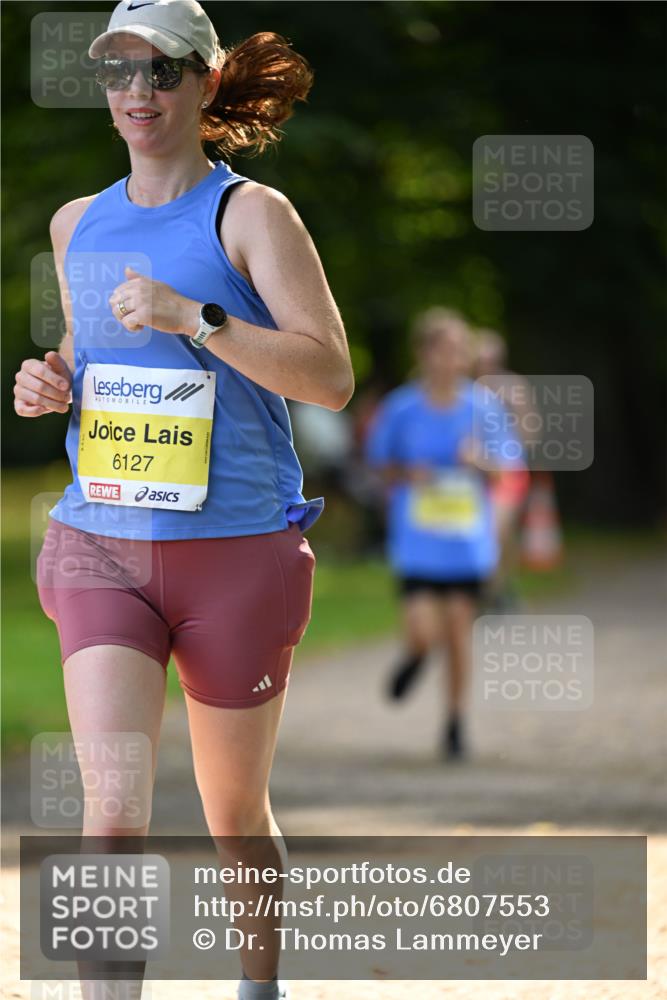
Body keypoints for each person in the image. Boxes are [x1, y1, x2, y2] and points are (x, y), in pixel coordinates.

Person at [14, 2, 354, 998]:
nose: (137, 93)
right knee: (112, 810)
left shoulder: (252, 214)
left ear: (205, 83)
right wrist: (52, 383)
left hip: (237, 552)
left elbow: (329, 376)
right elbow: (93, 359)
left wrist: (196, 318)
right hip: (101, 546)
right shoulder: (77, 221)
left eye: (160, 72)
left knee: (230, 813)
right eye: (118, 71)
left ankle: (259, 985)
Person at [365, 308, 521, 761]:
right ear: (424, 353)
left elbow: (506, 468)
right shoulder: (401, 407)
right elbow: (378, 464)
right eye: (443, 347)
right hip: (417, 540)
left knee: (457, 633)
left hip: (466, 542)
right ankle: (413, 657)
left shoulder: (483, 408)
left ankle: (454, 723)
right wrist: (405, 473)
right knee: (422, 630)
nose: (453, 357)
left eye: (459, 349)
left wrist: (480, 463)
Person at [473, 328, 533, 609]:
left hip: (508, 469)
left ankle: (496, 589)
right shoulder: (465, 390)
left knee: (500, 531)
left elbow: (530, 429)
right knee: (484, 531)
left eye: (491, 359)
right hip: (474, 471)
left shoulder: (512, 387)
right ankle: (491, 589)